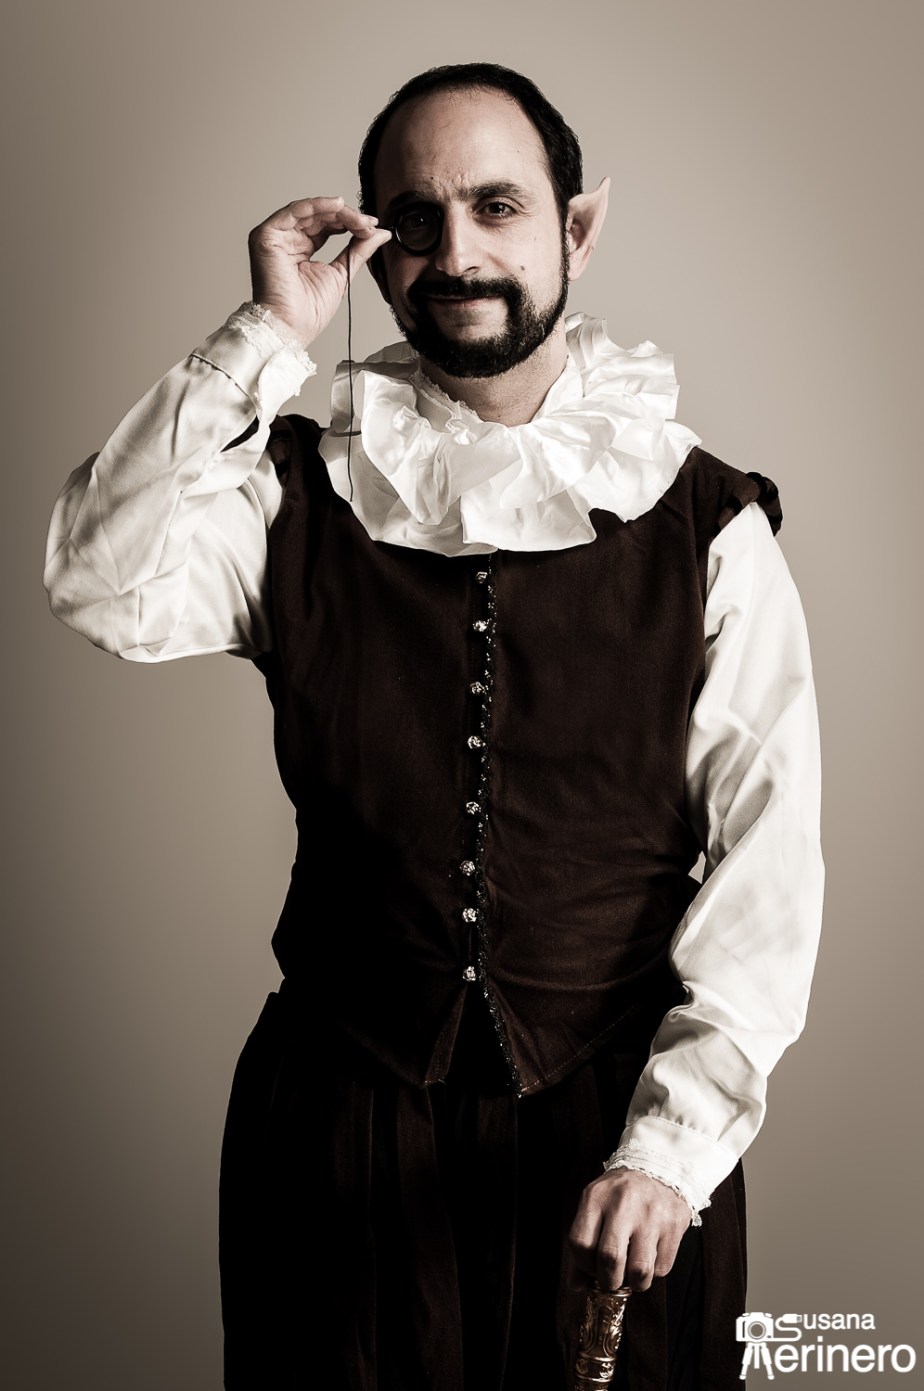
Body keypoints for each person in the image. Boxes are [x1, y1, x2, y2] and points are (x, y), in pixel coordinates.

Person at [44, 62, 824, 1391]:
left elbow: (770, 864)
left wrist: (670, 1150)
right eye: (415, 219)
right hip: (335, 1134)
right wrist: (264, 332)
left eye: (497, 208)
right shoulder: (298, 492)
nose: (456, 254)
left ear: (577, 230)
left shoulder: (707, 526)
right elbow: (97, 579)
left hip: (617, 1143)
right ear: (376, 248)